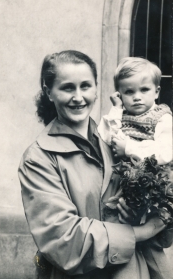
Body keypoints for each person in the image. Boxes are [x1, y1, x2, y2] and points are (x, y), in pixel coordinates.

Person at [18, 51, 167, 279]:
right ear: (49, 92)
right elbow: (63, 239)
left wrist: (157, 212)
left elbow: (161, 208)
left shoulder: (117, 141)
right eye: (68, 88)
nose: (78, 97)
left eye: (85, 86)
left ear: (96, 89)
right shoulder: (39, 158)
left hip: (140, 269)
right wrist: (141, 232)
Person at [98, 57, 173, 279]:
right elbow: (105, 135)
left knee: (153, 245)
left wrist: (129, 147)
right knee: (127, 239)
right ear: (120, 95)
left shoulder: (163, 118)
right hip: (127, 189)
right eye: (128, 92)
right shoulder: (121, 116)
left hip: (154, 188)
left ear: (157, 91)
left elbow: (166, 152)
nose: (137, 96)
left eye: (144, 89)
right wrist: (116, 109)